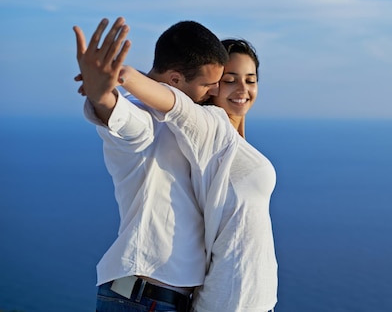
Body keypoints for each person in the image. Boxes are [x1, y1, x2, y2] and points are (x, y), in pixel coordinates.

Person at [74, 17, 230, 312]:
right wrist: (101, 95)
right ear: (174, 80)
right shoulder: (142, 112)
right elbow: (126, 121)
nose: (213, 92)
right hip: (144, 299)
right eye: (208, 84)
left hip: (159, 299)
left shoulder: (193, 122)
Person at [116, 39, 278, 312]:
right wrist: (124, 75)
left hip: (255, 302)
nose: (242, 89)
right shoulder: (210, 126)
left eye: (250, 80)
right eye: (230, 80)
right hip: (229, 303)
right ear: (213, 85)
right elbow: (173, 101)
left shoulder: (236, 144)